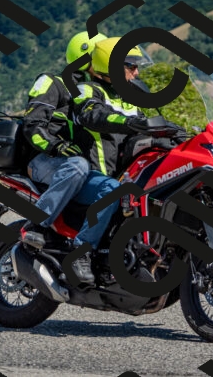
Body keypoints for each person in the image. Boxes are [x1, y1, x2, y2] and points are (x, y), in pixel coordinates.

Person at [69, 37, 183, 283]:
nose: (136, 72)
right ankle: (81, 250)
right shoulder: (86, 90)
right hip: (89, 176)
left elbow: (144, 130)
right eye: (131, 66)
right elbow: (93, 115)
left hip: (123, 176)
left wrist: (176, 134)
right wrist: (131, 123)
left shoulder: (128, 99)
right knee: (113, 190)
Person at [19, 31, 107, 252]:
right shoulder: (52, 83)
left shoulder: (97, 92)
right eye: (100, 57)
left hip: (78, 166)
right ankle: (37, 223)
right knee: (78, 165)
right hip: (44, 161)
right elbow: (32, 125)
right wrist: (56, 146)